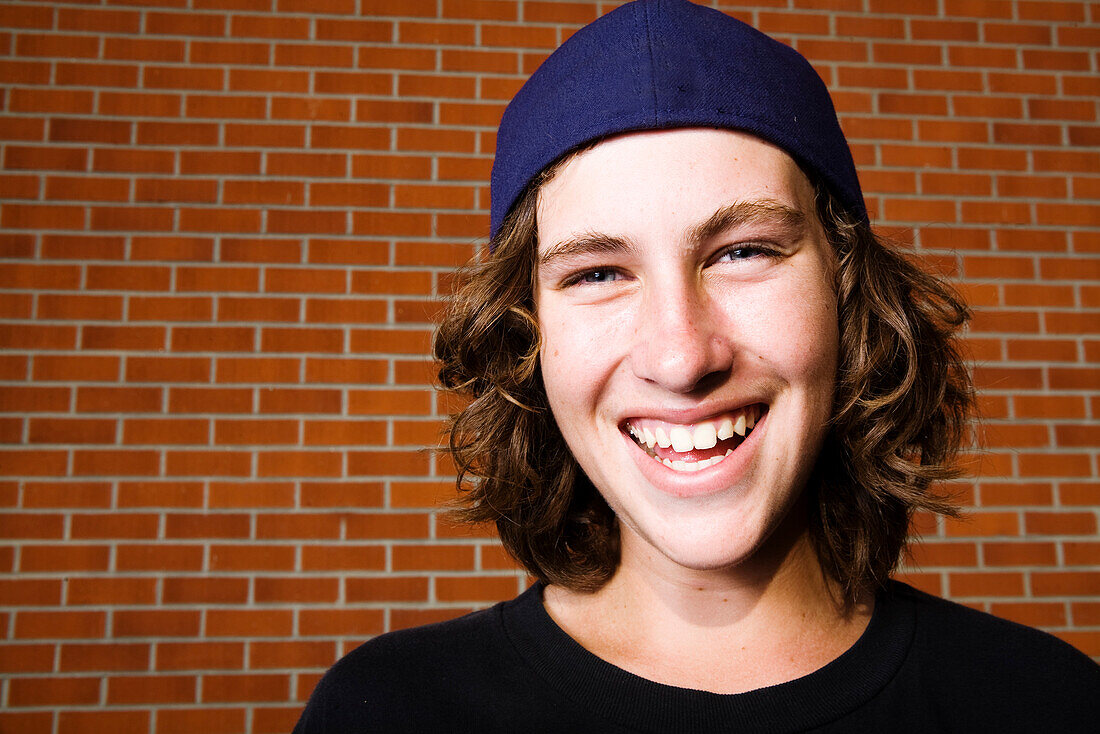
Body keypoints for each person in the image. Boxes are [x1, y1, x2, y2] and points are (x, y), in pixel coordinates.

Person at [293, 2, 1099, 731]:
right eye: (597, 273)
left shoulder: (1048, 704)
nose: (681, 357)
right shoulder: (388, 713)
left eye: (743, 252)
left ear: (848, 293)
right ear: (527, 337)